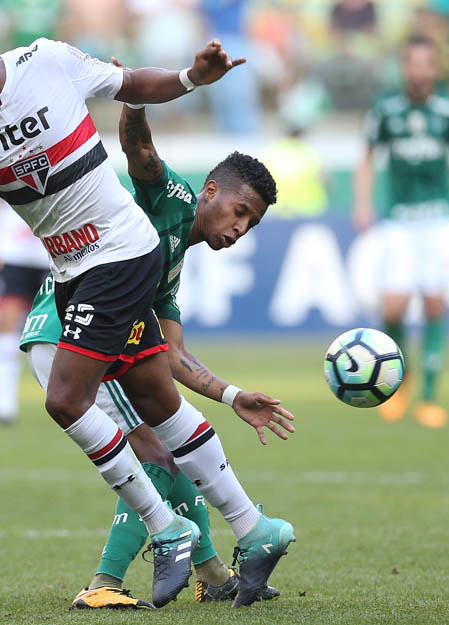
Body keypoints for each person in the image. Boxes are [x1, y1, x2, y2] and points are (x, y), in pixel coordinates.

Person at [0, 24, 296, 608]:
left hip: (113, 258)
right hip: (75, 276)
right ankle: (253, 530)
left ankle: (167, 535)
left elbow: (132, 85)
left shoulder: (46, 62)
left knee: (68, 401)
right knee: (160, 403)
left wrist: (191, 78)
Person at [20, 98, 290, 609]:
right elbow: (138, 147)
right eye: (239, 212)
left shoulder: (167, 267)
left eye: (250, 224)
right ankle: (106, 581)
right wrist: (134, 97)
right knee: (157, 457)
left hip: (102, 343)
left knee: (168, 451)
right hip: (70, 337)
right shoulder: (171, 198)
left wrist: (231, 395)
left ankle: (213, 572)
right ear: (210, 191)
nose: (238, 229)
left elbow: (172, 354)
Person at [354, 34, 449, 429]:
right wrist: (363, 203)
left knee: (434, 304)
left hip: (442, 219)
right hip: (398, 219)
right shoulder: (386, 109)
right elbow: (366, 156)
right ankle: (403, 374)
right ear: (403, 67)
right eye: (411, 63)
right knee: (393, 306)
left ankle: (429, 397)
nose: (418, 71)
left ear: (435, 68)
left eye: (425, 64)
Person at [0, 199, 50, 427]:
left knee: (71, 330)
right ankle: (3, 408)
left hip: (54, 250)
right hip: (12, 252)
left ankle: (87, 406)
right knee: (5, 327)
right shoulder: (0, 162)